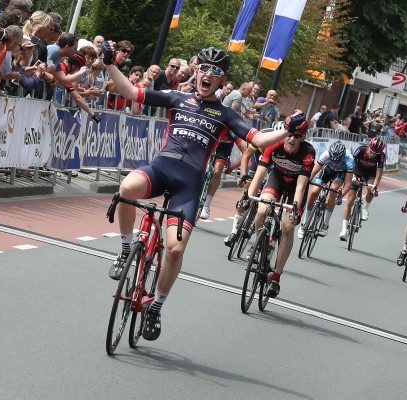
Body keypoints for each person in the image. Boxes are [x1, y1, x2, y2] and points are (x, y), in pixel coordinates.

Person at [101, 43, 306, 340]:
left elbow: (259, 139)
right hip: (161, 168)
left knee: (174, 248)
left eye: (217, 72)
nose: (209, 74)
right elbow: (132, 93)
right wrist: (109, 65)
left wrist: (287, 129)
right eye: (205, 68)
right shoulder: (176, 97)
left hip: (189, 183)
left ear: (222, 80)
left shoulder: (224, 114)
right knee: (126, 187)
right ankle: (123, 252)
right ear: (196, 71)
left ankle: (156, 307)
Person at [238, 113, 314, 298]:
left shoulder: (308, 152)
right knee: (262, 210)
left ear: (302, 137)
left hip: (295, 187)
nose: (291, 139)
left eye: (296, 136)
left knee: (288, 227)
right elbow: (260, 173)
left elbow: (302, 186)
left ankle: (276, 277)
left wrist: (295, 208)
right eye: (289, 134)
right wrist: (248, 197)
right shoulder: (273, 144)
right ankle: (262, 244)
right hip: (277, 180)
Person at [298, 140, 353, 239]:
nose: (335, 163)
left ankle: (325, 224)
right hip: (327, 169)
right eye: (333, 160)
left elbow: (348, 183)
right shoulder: (326, 154)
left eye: (338, 161)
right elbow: (314, 172)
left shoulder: (349, 160)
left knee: (333, 192)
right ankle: (305, 222)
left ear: (343, 157)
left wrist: (340, 196)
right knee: (314, 192)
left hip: (341, 173)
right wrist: (307, 182)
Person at [339, 136, 385, 240]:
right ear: (369, 147)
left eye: (375, 154)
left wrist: (375, 186)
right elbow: (351, 165)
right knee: (350, 200)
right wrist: (353, 177)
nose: (373, 154)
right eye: (371, 151)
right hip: (357, 171)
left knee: (371, 189)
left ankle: (365, 208)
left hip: (370, 174)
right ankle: (344, 230)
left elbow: (378, 175)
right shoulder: (361, 150)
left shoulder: (381, 155)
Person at [199, 132, 247, 220]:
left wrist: (232, 167)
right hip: (210, 142)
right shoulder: (215, 127)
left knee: (217, 171)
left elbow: (246, 152)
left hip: (224, 148)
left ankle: (206, 206)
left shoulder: (232, 133)